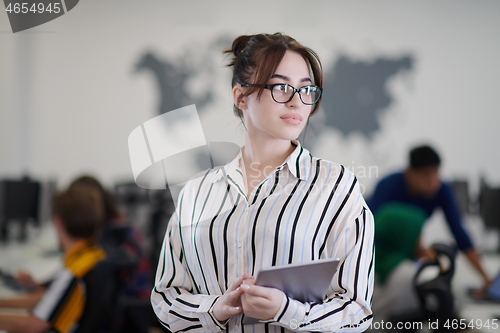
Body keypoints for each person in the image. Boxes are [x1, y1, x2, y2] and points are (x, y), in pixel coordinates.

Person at [151, 33, 374, 333]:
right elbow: (166, 295)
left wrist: (287, 311)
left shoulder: (337, 188)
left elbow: (356, 310)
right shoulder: (196, 193)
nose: (297, 101)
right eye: (281, 87)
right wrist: (213, 309)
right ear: (241, 96)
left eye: (306, 89)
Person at [368, 145, 491, 319]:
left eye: (436, 174)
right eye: (426, 175)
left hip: (409, 253)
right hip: (381, 255)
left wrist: (486, 279)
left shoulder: (441, 189)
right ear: (410, 173)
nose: (433, 181)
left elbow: (459, 234)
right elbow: (367, 232)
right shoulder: (388, 186)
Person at [0, 184, 106, 333]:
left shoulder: (74, 272)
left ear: (57, 222)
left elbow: (32, 326)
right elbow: (48, 298)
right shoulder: (93, 255)